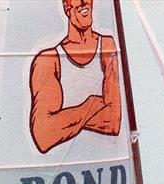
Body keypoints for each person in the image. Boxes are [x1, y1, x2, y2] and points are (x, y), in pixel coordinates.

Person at [29, 0, 121, 154]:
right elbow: (42, 136)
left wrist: (60, 121)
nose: (85, 1)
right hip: (55, 169)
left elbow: (113, 122)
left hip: (100, 161)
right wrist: (91, 104)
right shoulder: (48, 59)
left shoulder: (107, 45)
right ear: (67, 7)